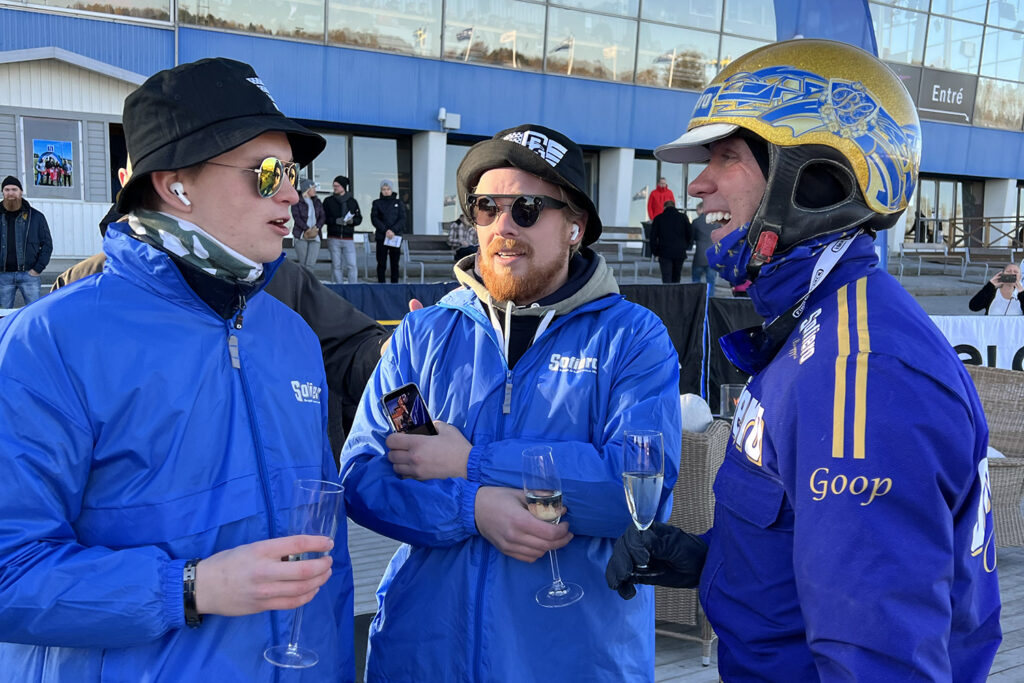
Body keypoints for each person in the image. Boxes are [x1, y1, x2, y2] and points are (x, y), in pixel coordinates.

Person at [607, 39, 1001, 680]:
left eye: (727, 156)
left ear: (817, 176)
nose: (699, 184)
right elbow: (823, 548)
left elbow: (879, 661)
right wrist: (714, 559)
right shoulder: (817, 323)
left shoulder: (860, 370)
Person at [0, 57, 357, 680]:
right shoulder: (50, 340)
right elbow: (9, 572)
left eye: (295, 174)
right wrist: (188, 587)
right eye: (268, 173)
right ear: (174, 184)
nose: (294, 195)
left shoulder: (293, 334)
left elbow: (327, 558)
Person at [340, 123, 682, 682]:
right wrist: (472, 509)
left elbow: (635, 494)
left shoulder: (633, 338)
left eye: (526, 207)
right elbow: (364, 478)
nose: (502, 225)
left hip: (574, 661)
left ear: (575, 225)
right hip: (423, 658)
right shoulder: (423, 334)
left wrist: (470, 462)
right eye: (485, 207)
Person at [1, 175, 52, 308]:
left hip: (29, 275)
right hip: (2, 277)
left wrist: (37, 269)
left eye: (14, 189)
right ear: (2, 192)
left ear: (21, 192)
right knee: (3, 317)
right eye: (6, 189)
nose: (10, 193)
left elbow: (47, 244)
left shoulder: (36, 217)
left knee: (34, 313)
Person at [322, 174, 362, 283]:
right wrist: (335, 221)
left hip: (348, 238)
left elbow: (359, 218)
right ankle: (339, 287)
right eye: (334, 185)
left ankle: (353, 287)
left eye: (337, 186)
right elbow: (323, 218)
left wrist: (352, 221)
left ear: (344, 187)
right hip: (333, 237)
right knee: (336, 265)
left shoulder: (352, 202)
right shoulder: (328, 201)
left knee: (352, 265)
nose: (335, 188)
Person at [649, 199, 692, 283]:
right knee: (677, 276)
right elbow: (689, 233)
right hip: (679, 251)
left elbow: (653, 237)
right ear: (674, 206)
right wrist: (686, 246)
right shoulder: (683, 217)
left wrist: (655, 252)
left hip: (664, 252)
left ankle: (667, 295)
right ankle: (675, 295)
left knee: (666, 276)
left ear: (664, 207)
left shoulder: (659, 218)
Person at [371, 178, 405, 283]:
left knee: (395, 263)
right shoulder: (376, 203)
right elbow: (374, 218)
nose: (386, 191)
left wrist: (393, 230)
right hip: (382, 237)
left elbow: (402, 219)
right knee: (381, 263)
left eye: (388, 189)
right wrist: (386, 230)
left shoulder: (398, 203)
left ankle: (394, 285)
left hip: (395, 237)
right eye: (384, 189)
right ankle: (381, 284)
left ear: (392, 190)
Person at [291, 178, 325, 271]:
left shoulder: (317, 202)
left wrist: (317, 227)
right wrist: (306, 229)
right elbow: (296, 217)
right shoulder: (297, 202)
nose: (315, 190)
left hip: (315, 235)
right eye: (313, 188)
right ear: (307, 189)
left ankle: (309, 284)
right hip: (301, 235)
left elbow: (322, 216)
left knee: (311, 264)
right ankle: (302, 284)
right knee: (303, 264)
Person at [689, 201, 716, 290]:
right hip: (712, 257)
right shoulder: (716, 222)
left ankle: (696, 301)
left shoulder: (696, 222)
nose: (696, 212)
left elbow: (691, 238)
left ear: (701, 209)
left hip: (699, 257)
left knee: (696, 281)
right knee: (711, 283)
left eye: (697, 209)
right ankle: (709, 301)